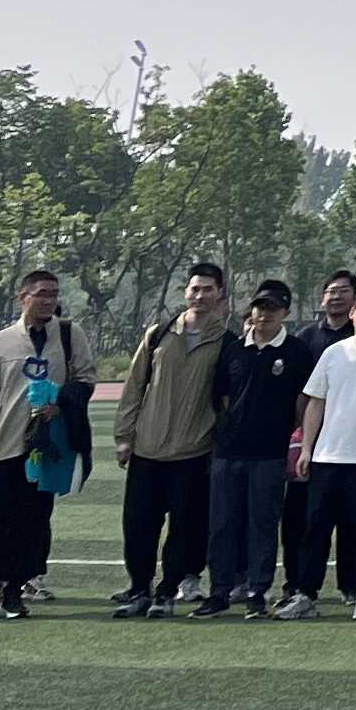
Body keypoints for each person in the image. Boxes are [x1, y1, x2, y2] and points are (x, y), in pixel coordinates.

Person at [0, 263, 93, 622]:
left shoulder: (69, 335)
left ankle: (15, 593)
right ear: (23, 297)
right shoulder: (0, 342)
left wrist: (60, 402)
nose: (49, 300)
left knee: (33, 521)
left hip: (47, 447)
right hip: (5, 445)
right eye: (41, 294)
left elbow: (86, 380)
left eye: (54, 294)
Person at [110, 261, 231, 617]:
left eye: (207, 289)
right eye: (195, 289)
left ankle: (166, 592)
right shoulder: (159, 333)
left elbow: (226, 400)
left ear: (220, 294)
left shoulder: (227, 342)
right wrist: (124, 436)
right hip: (147, 447)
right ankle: (139, 589)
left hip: (193, 450)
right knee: (139, 526)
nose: (200, 295)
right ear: (185, 291)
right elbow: (135, 386)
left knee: (184, 529)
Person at [277, 278, 356, 621]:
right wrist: (307, 448)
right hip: (327, 457)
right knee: (314, 530)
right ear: (353, 313)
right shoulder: (334, 353)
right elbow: (315, 401)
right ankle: (305, 595)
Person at [195, 278, 311, 618]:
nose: (264, 314)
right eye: (260, 307)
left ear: (285, 312)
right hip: (228, 451)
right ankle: (219, 591)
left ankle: (257, 592)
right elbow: (221, 396)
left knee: (262, 524)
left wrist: (293, 439)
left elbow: (303, 401)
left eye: (272, 308)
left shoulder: (296, 352)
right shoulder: (233, 349)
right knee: (222, 524)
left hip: (270, 452)